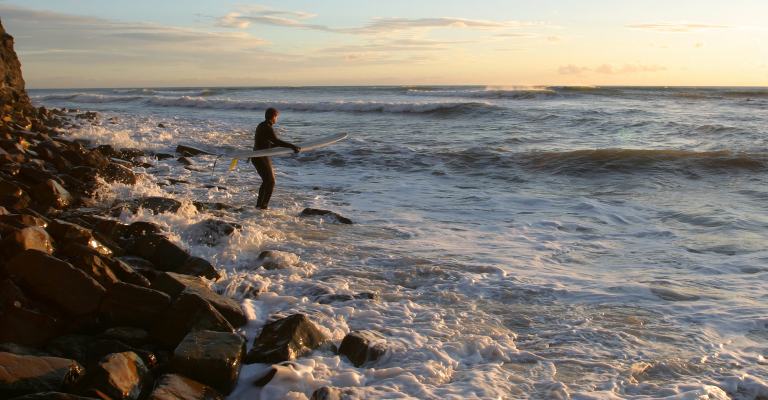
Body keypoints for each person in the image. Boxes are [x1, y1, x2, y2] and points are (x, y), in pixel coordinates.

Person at [251, 107, 300, 209]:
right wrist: (292, 146)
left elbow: (267, 143)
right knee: (271, 181)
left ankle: (259, 205)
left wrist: (286, 146)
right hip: (260, 157)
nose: (276, 119)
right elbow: (276, 141)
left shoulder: (262, 125)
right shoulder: (267, 127)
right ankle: (263, 206)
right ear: (273, 116)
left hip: (258, 156)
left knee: (267, 181)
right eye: (276, 117)